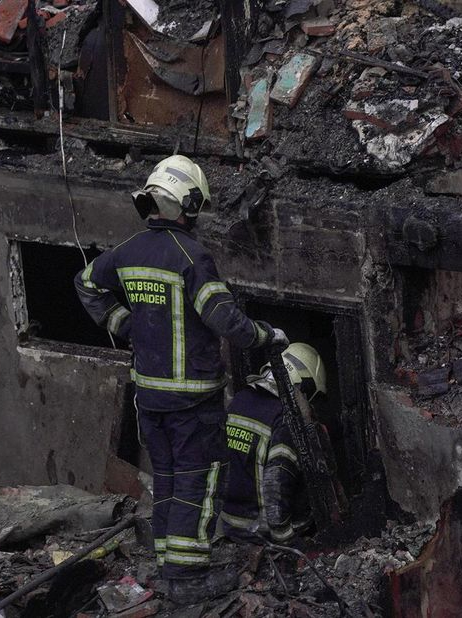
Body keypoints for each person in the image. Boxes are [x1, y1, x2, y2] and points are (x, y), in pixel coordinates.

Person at [75, 155, 285, 603]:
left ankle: (168, 563)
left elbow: (86, 282)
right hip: (193, 400)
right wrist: (266, 334)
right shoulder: (192, 256)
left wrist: (121, 323)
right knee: (199, 480)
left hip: (149, 398)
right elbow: (224, 319)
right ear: (188, 204)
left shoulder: (128, 251)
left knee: (168, 478)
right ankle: (187, 581)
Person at [221, 343, 325, 544]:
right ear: (303, 386)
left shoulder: (240, 399)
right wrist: (285, 540)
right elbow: (275, 483)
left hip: (228, 522)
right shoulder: (286, 420)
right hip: (259, 531)